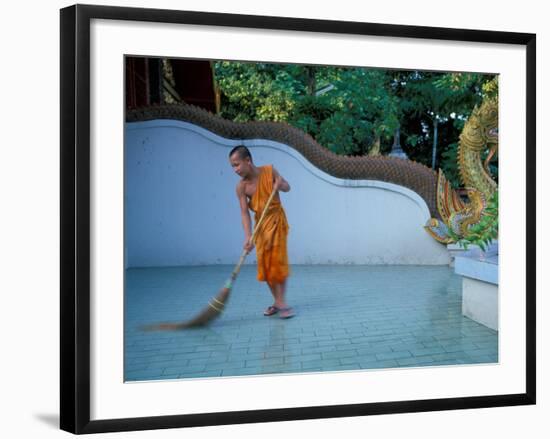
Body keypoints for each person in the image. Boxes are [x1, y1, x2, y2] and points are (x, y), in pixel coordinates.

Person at [229, 145, 294, 319]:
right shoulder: (241, 187)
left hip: (276, 221)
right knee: (266, 266)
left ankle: (281, 302)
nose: (235, 170)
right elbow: (244, 213)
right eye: (232, 166)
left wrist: (280, 185)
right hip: (261, 226)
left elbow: (288, 187)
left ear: (248, 161)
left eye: (236, 164)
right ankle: (278, 302)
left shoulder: (269, 171)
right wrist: (248, 236)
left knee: (277, 263)